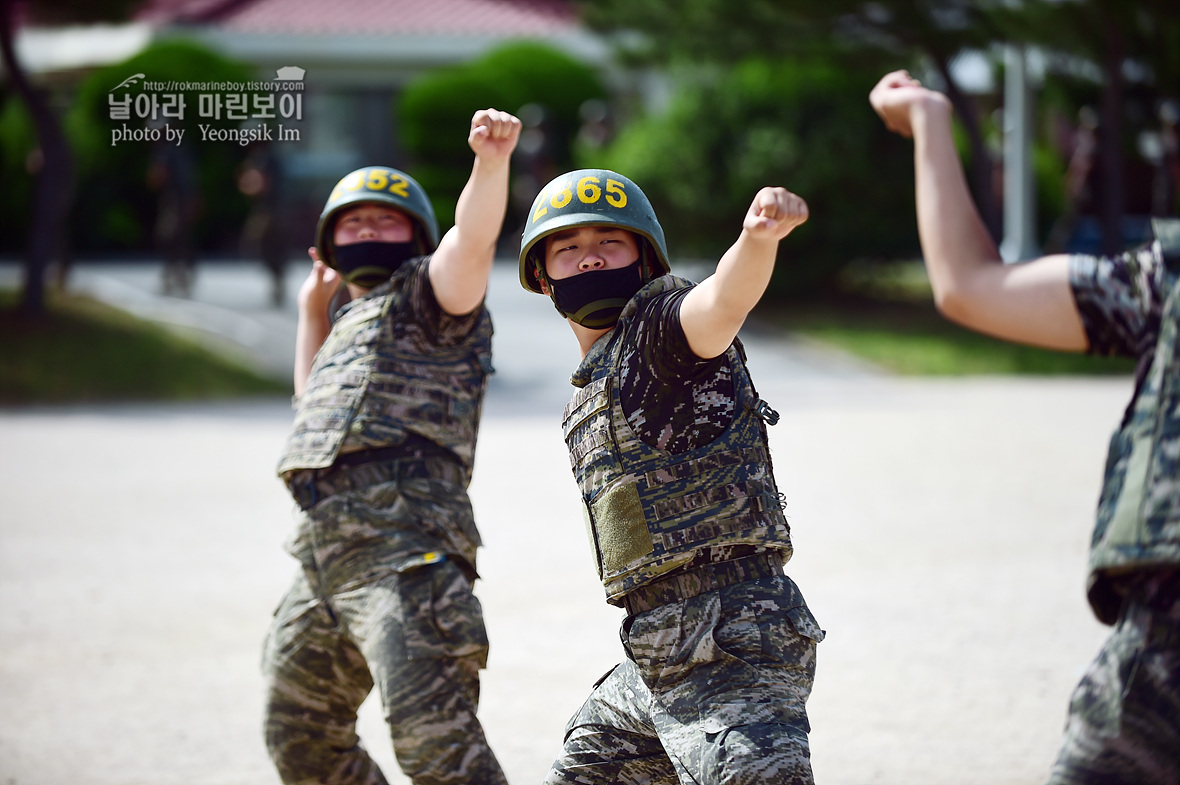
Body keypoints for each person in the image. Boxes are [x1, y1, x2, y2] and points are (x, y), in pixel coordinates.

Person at [869, 69, 1180, 785]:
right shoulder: (1165, 279)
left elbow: (969, 285)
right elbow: (969, 286)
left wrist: (930, 122)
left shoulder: (1168, 281)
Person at [517, 169, 826, 785]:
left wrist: (757, 241)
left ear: (644, 259)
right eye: (568, 247)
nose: (589, 259)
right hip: (660, 652)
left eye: (610, 241)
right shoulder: (595, 380)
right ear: (545, 276)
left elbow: (719, 304)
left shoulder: (660, 338)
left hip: (734, 647)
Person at [262, 107, 521, 785]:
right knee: (299, 733)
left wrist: (489, 165)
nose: (369, 226)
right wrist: (312, 313)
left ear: (418, 241)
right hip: (324, 559)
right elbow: (313, 411)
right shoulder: (348, 321)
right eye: (353, 220)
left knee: (440, 751)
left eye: (386, 218)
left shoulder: (432, 300)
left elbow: (472, 240)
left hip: (406, 554)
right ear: (328, 246)